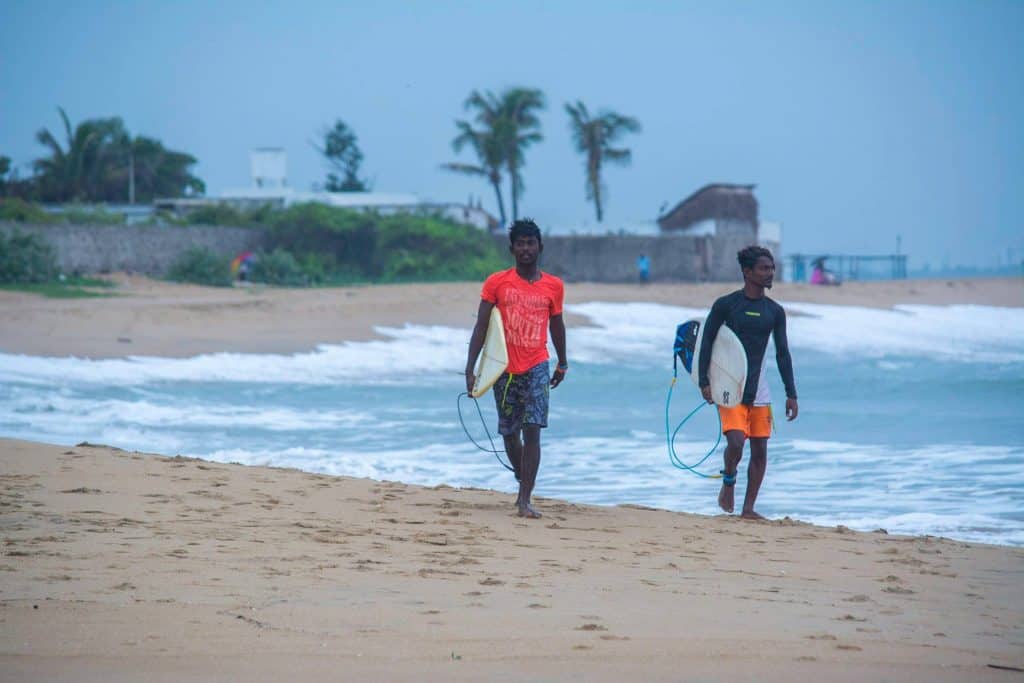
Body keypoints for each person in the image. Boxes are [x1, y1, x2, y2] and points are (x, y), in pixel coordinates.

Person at [465, 219, 568, 519]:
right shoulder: (497, 283)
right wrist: (471, 368)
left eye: (530, 243)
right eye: (520, 243)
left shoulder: (553, 286)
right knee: (510, 434)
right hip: (503, 368)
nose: (525, 248)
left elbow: (557, 325)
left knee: (532, 429)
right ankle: (523, 478)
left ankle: (524, 499)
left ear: (540, 247)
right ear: (512, 249)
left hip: (537, 363)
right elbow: (482, 326)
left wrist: (562, 362)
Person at [697, 245, 798, 520]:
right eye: (764, 268)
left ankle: (748, 508)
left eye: (772, 268)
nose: (770, 273)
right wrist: (704, 382)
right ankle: (728, 481)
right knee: (737, 443)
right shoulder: (727, 305)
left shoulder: (774, 312)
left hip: (759, 391)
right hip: (730, 389)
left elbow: (782, 353)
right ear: (747, 271)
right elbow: (706, 342)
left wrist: (791, 393)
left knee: (760, 450)